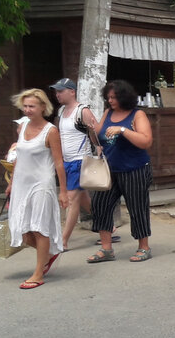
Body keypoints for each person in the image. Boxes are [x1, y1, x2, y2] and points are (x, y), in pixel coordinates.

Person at [7, 88, 69, 289]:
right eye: (25, 106)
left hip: (42, 184)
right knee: (23, 232)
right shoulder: (22, 127)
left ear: (43, 107)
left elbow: (59, 163)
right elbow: (18, 157)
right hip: (21, 184)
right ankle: (50, 254)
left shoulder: (51, 131)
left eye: (32, 106)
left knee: (39, 228)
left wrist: (63, 191)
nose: (27, 110)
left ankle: (38, 273)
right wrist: (10, 183)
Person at [88, 79, 154, 264]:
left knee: (137, 208)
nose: (110, 100)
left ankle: (144, 247)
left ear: (124, 97)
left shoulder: (137, 115)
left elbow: (146, 141)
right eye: (108, 97)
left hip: (135, 169)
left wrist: (123, 130)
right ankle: (106, 249)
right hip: (110, 170)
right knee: (100, 206)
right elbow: (98, 139)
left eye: (114, 97)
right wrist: (90, 129)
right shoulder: (108, 113)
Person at [51, 78, 98, 251]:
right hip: (67, 160)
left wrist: (98, 147)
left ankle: (63, 240)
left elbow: (95, 130)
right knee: (84, 198)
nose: (57, 94)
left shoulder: (83, 110)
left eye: (61, 91)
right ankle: (106, 225)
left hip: (80, 160)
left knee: (72, 199)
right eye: (56, 91)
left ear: (72, 91)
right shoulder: (62, 110)